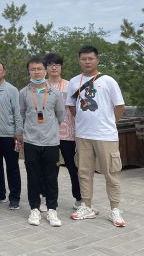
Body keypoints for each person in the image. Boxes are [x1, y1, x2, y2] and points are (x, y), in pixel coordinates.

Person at [66, 46, 126, 227]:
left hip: (105, 135)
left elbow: (119, 106)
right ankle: (87, 206)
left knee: (111, 173)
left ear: (97, 60)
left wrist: (110, 122)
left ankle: (115, 209)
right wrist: (82, 121)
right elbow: (71, 105)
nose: (87, 62)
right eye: (83, 59)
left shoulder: (108, 81)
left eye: (90, 58)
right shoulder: (74, 81)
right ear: (79, 60)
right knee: (84, 172)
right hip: (83, 134)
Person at [20, 57, 65, 227]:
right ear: (28, 71)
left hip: (51, 142)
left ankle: (52, 209)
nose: (36, 72)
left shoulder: (55, 93)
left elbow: (60, 115)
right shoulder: (23, 93)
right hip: (31, 141)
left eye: (39, 68)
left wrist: (49, 129)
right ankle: (35, 209)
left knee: (51, 177)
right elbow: (21, 114)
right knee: (33, 177)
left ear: (45, 70)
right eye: (33, 69)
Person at [45, 52, 81, 210]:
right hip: (47, 133)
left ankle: (79, 198)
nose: (54, 68)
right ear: (46, 68)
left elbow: (77, 107)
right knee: (49, 168)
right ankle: (48, 198)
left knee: (73, 166)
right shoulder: (41, 86)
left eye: (57, 65)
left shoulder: (70, 85)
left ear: (61, 67)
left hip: (68, 133)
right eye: (50, 65)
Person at [0, 62, 22, 209]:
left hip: (9, 135)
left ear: (4, 72)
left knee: (12, 167)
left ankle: (14, 198)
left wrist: (18, 132)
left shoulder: (11, 90)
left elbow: (17, 112)